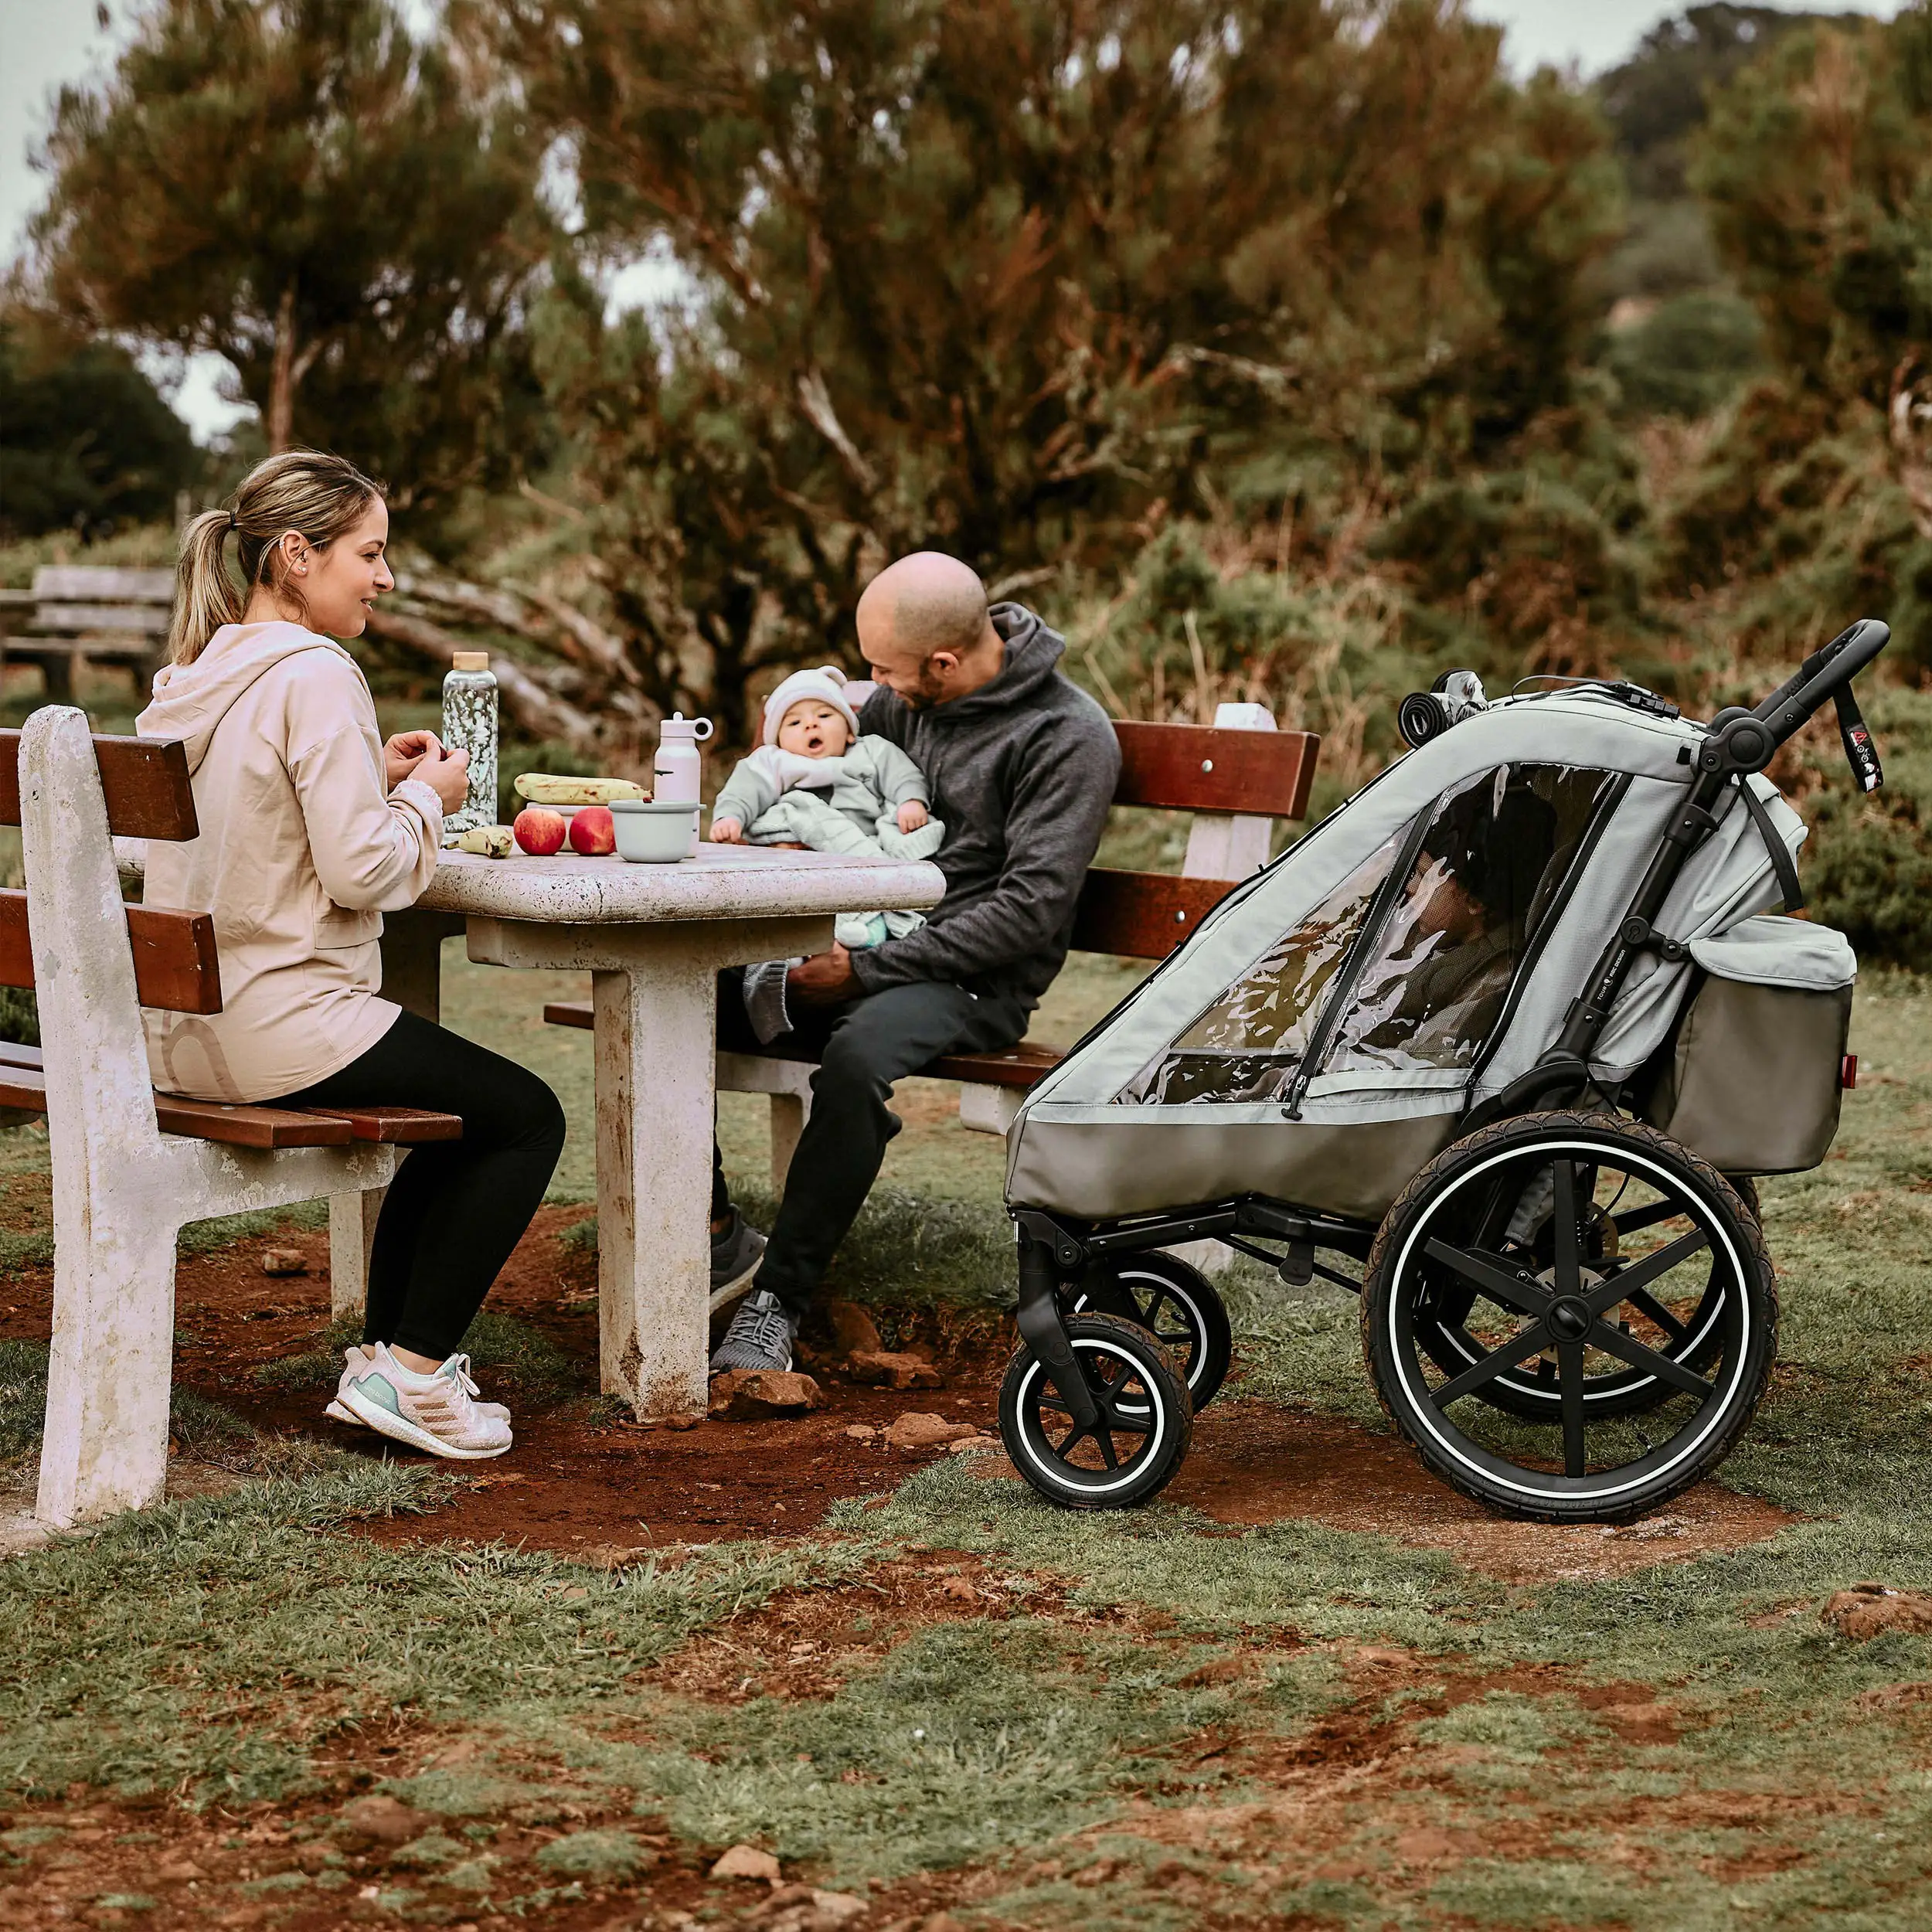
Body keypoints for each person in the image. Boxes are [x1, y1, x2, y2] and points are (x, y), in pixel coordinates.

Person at [139, 448, 566, 1461]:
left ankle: (386, 1360)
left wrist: (362, 776)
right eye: (369, 554)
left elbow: (217, 820)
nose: (384, 577)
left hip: (178, 1030)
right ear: (296, 555)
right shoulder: (318, 673)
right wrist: (425, 799)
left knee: (453, 1119)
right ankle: (415, 1374)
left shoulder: (197, 675)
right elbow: (368, 873)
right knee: (526, 1119)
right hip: (277, 1022)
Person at [708, 552, 1121, 1372]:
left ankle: (776, 1302)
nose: (872, 688)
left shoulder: (1066, 737)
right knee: (681, 998)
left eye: (883, 671)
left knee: (857, 1057)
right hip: (859, 940)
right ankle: (720, 1233)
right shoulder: (904, 705)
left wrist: (863, 973)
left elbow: (1030, 909)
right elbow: (830, 786)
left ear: (944, 661)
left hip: (974, 978)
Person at [711, 663, 945, 986]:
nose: (810, 726)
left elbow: (903, 775)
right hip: (802, 855)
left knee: (875, 900)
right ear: (777, 740)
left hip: (859, 853)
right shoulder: (774, 762)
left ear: (850, 729)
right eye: (794, 722)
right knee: (785, 900)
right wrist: (731, 818)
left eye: (824, 716)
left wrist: (910, 802)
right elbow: (743, 790)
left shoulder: (870, 752)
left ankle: (867, 935)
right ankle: (788, 951)